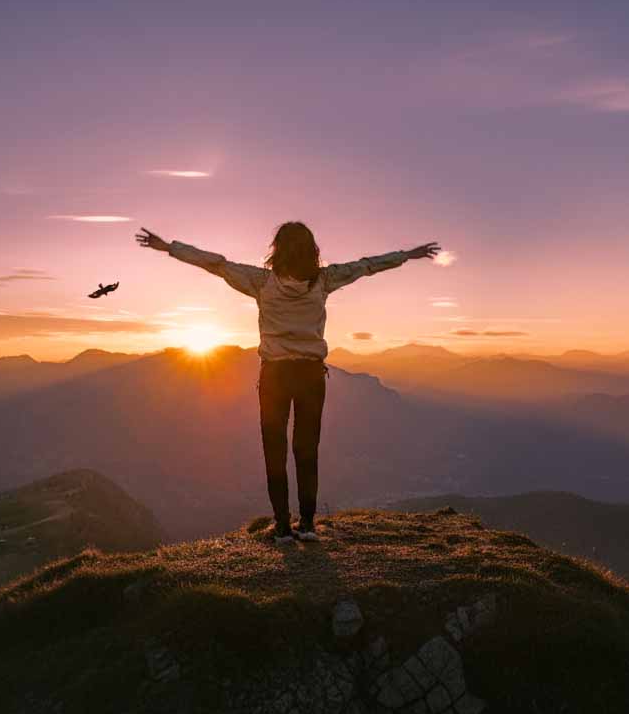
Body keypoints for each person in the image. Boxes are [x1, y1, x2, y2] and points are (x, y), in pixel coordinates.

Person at [137, 222, 440, 543]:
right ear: (313, 251)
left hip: (275, 377)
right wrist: (407, 254)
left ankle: (282, 526)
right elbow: (366, 266)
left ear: (277, 249)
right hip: (310, 376)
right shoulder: (323, 281)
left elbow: (216, 264)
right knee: (307, 451)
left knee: (274, 450)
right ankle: (307, 524)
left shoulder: (260, 282)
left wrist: (169, 247)